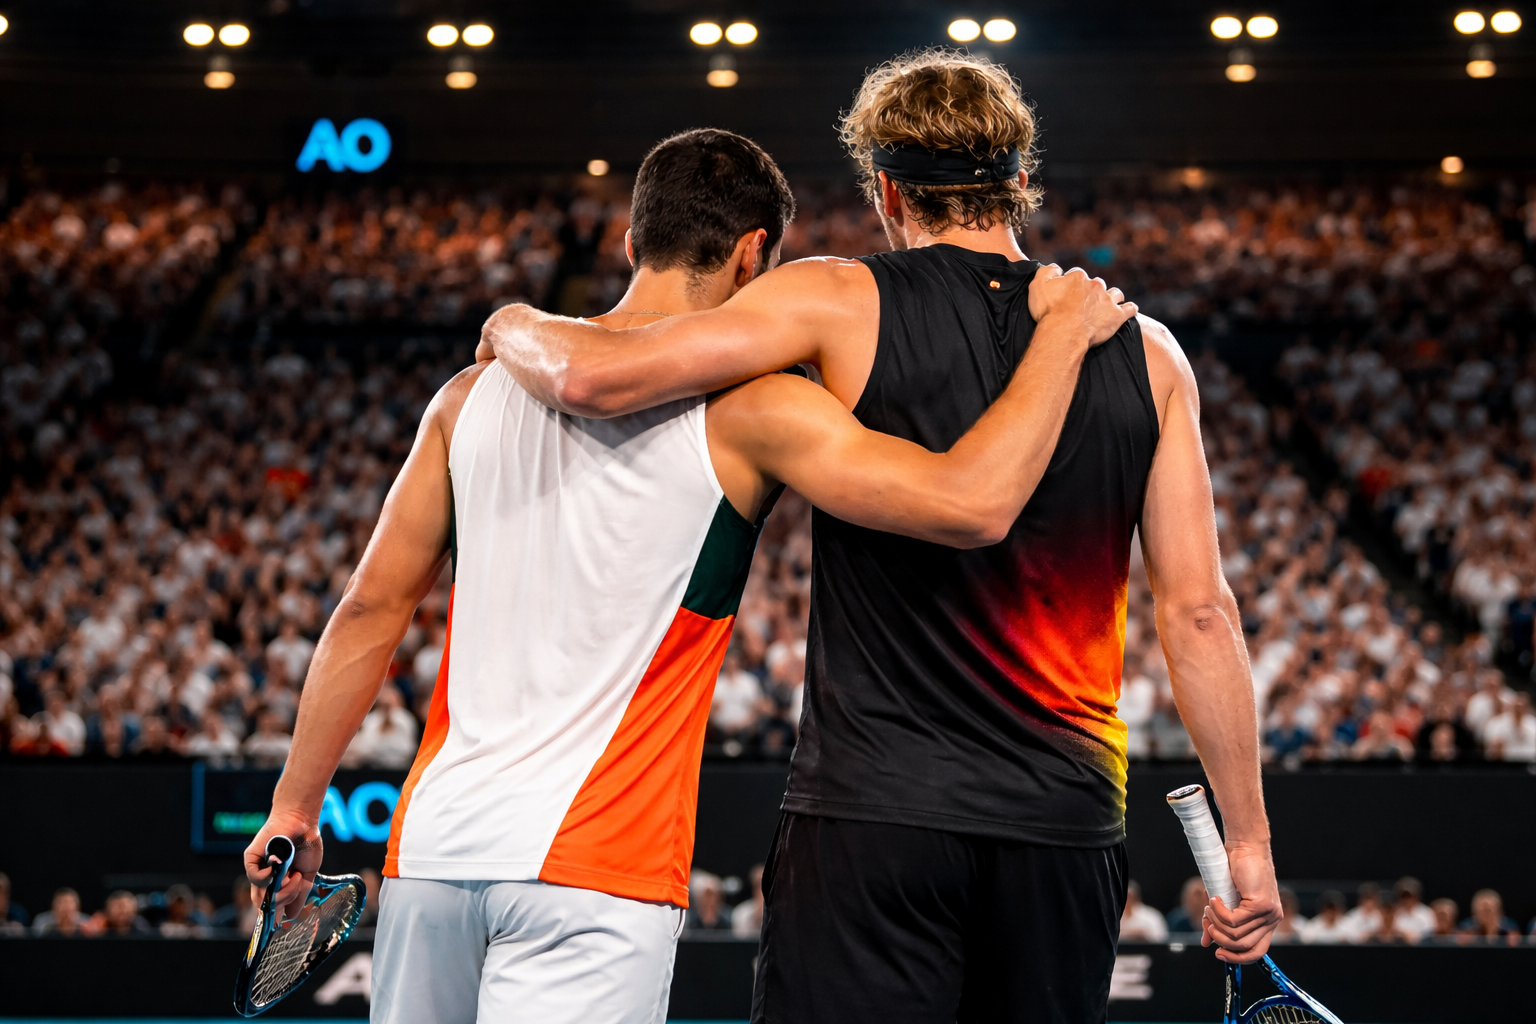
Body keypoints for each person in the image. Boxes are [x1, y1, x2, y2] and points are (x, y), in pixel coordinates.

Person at [246, 126, 1136, 1024]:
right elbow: (966, 502)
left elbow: (368, 610)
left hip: (431, 854)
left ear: (632, 243)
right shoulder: (761, 409)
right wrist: (1057, 339)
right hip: (601, 869)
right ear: (756, 256)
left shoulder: (466, 399)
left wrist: (294, 806)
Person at [481, 50, 1281, 1024]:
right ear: (1021, 183)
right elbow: (1200, 615)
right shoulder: (1149, 354)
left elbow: (596, 376)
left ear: (887, 191)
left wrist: (513, 319)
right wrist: (1249, 850)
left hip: (872, 818)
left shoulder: (834, 300)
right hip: (1065, 825)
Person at [1389, 876, 1436, 943]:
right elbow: (1391, 931)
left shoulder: (1427, 912)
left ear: (1417, 895)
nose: (1407, 899)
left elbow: (1431, 932)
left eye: (1410, 896)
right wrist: (1404, 934)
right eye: (1404, 896)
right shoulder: (1395, 913)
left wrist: (1417, 935)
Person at [732, 864, 766, 938]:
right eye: (758, 885)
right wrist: (757, 917)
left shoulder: (783, 912)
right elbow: (741, 943)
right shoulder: (740, 912)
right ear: (753, 888)